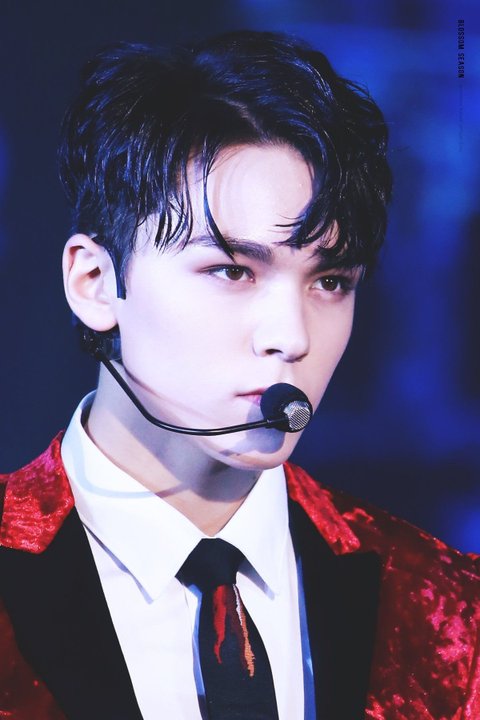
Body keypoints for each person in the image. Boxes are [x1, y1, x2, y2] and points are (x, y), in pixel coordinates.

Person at [0, 30, 479, 720]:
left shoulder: (449, 610)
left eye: (331, 282)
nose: (292, 337)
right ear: (96, 283)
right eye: (231, 271)